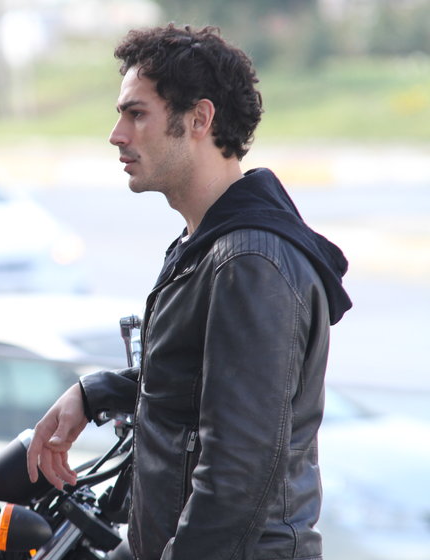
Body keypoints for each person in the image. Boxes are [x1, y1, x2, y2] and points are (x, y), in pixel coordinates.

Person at [26, 24, 352, 560]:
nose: (117, 135)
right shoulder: (209, 243)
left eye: (136, 114)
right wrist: (97, 392)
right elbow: (200, 386)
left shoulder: (250, 262)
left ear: (200, 119)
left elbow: (237, 473)